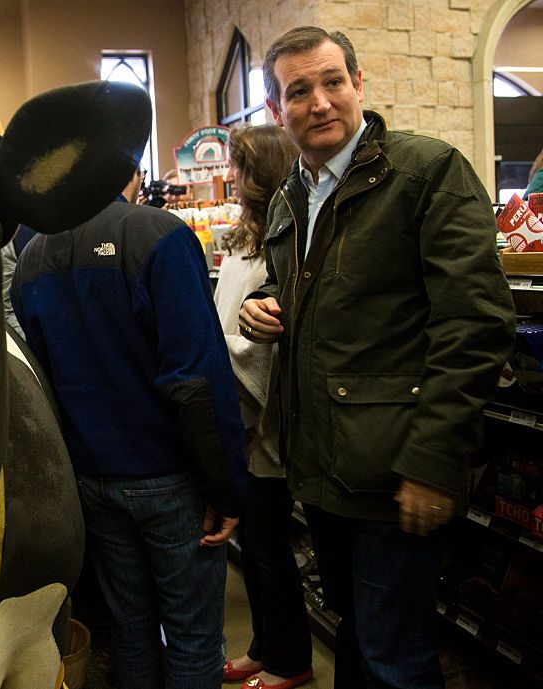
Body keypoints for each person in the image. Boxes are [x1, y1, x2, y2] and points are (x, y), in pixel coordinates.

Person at [239, 26, 516, 689]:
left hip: (395, 474)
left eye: (333, 81)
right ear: (279, 111)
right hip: (323, 467)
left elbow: (476, 323)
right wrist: (267, 304)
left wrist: (432, 461)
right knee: (359, 639)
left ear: (359, 85)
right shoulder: (289, 199)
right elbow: (312, 287)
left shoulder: (425, 172)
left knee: (396, 658)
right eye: (298, 90)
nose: (320, 101)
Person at [11, 166, 247, 689]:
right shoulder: (159, 235)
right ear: (134, 173)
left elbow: (40, 375)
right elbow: (196, 379)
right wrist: (227, 487)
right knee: (191, 638)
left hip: (90, 481)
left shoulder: (31, 259)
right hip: (170, 478)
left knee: (131, 630)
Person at [216, 124, 312, 689]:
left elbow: (262, 346)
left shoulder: (279, 246)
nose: (233, 177)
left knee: (271, 549)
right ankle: (263, 646)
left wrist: (218, 358)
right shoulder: (241, 243)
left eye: (242, 167)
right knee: (253, 549)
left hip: (265, 425)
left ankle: (290, 660)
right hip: (238, 420)